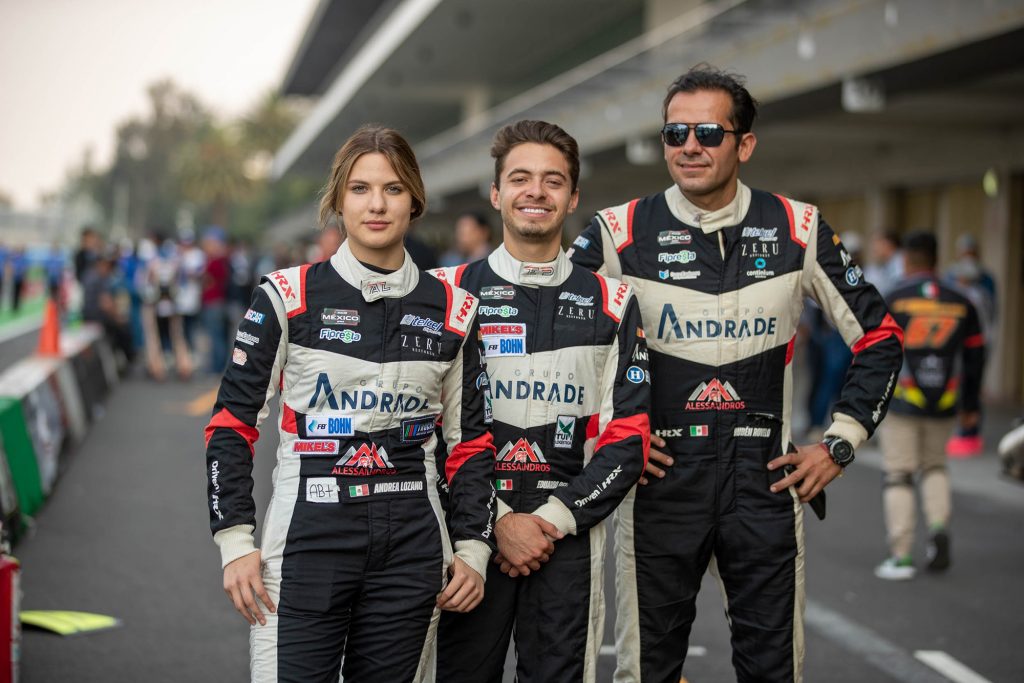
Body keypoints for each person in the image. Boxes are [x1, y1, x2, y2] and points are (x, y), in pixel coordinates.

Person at [569, 65, 904, 682]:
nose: (689, 146)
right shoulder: (616, 232)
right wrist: (610, 442)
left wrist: (839, 445)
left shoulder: (797, 227)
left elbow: (880, 338)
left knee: (775, 670)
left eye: (707, 133)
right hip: (660, 484)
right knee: (645, 671)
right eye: (675, 134)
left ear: (744, 144)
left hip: (766, 482)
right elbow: (560, 346)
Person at [204, 125, 496, 683]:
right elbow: (231, 424)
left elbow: (471, 444)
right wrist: (235, 541)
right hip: (308, 539)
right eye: (360, 189)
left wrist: (474, 548)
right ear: (338, 200)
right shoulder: (286, 296)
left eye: (392, 188)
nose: (377, 204)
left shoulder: (457, 309)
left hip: (413, 543)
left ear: (415, 200)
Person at [430, 121, 651, 682]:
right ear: (496, 193)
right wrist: (497, 521)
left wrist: (549, 522)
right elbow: (422, 428)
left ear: (572, 197)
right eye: (520, 178)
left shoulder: (614, 300)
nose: (536, 191)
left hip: (566, 535)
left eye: (553, 181)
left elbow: (629, 435)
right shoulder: (444, 294)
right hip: (466, 534)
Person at [874, 231, 984, 580]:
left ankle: (901, 555)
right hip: (946, 401)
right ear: (937, 259)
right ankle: (938, 531)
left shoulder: (894, 297)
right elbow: (976, 355)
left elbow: (877, 351)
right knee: (935, 467)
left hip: (903, 400)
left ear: (907, 259)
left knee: (899, 474)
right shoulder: (961, 299)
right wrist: (971, 404)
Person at [863, 229, 904, 296]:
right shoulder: (886, 263)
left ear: (888, 243)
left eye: (876, 242)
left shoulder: (900, 262)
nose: (873, 247)